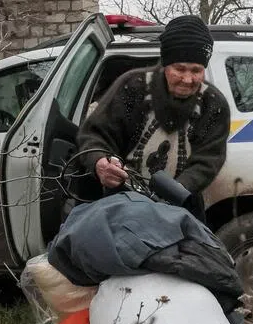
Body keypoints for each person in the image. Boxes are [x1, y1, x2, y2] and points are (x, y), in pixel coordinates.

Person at [76, 15, 231, 222]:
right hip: (120, 204)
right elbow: (95, 136)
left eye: (196, 70)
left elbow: (208, 160)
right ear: (165, 64)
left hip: (180, 208)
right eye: (180, 69)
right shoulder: (132, 88)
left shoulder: (213, 104)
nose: (188, 79)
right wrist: (99, 162)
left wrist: (175, 191)